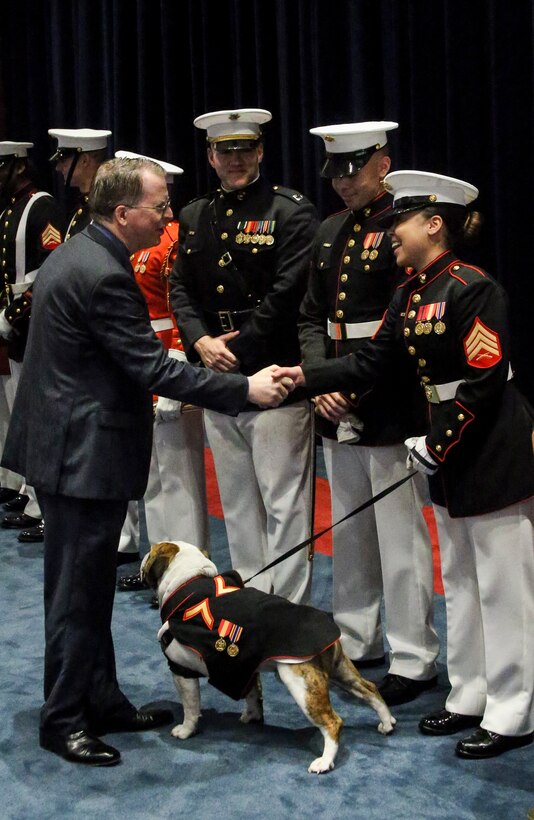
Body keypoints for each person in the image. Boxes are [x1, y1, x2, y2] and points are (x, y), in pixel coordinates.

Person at [1, 156, 292, 767]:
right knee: (76, 596)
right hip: (81, 456)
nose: (167, 218)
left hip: (71, 447)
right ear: (123, 212)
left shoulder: (81, 251)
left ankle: (100, 699)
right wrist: (247, 389)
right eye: (159, 207)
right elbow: (151, 368)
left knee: (86, 590)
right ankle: (63, 719)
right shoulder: (104, 274)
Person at [275, 170, 534, 759]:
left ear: (435, 224)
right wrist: (303, 377)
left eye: (402, 222)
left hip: (490, 448)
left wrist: (435, 443)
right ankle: (469, 694)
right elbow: (371, 362)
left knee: (503, 585)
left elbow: (484, 381)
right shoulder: (410, 292)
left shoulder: (474, 286)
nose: (391, 232)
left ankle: (516, 709)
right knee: (463, 579)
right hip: (450, 448)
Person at [298, 122, 439, 705]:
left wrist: (351, 387)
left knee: (400, 536)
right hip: (334, 398)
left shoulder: (402, 226)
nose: (342, 185)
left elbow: (408, 321)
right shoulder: (330, 230)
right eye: (334, 173)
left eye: (352, 171)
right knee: (351, 529)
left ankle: (414, 657)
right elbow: (310, 316)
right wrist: (318, 381)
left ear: (382, 164)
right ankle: (358, 639)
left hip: (387, 400)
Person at [170, 108, 319, 604]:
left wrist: (238, 350)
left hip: (273, 368)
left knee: (284, 503)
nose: (234, 160)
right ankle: (254, 600)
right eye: (224, 151)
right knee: (236, 500)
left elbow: (287, 293)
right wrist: (199, 342)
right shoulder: (194, 215)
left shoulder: (291, 211)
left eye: (243, 149)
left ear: (260, 152)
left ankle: (290, 607)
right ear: (211, 157)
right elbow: (180, 289)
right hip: (216, 371)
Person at [112, 150, 210, 580]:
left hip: (167, 362)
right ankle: (160, 564)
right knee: (152, 475)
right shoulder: (136, 243)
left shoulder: (171, 242)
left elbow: (178, 311)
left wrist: (173, 380)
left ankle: (187, 571)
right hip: (141, 362)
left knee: (179, 478)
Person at [0, 141, 64, 535]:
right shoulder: (9, 211)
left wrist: (12, 314)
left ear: (19, 167)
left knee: (37, 417)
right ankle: (28, 491)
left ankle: (43, 505)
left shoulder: (42, 208)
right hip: (13, 327)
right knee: (17, 412)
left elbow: (48, 268)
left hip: (31, 324)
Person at [49, 127, 112, 239]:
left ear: (84, 160)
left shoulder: (107, 213)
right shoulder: (81, 210)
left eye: (63, 160)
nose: (58, 168)